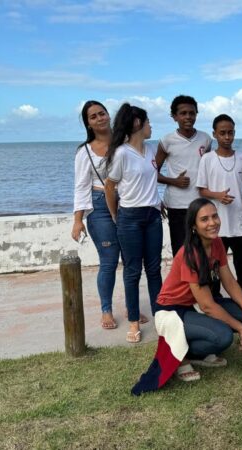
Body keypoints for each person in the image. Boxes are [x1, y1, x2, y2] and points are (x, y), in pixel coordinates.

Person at [154, 198, 242, 384]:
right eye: (204, 219)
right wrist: (240, 327)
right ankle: (184, 354)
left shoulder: (216, 243)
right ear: (194, 226)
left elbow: (230, 282)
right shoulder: (190, 253)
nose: (212, 223)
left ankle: (200, 351)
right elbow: (208, 306)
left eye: (214, 216)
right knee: (223, 336)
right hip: (173, 310)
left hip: (195, 305)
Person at [104, 104, 163, 344]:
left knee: (155, 269)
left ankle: (161, 317)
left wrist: (158, 204)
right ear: (137, 124)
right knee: (132, 271)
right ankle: (134, 322)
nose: (151, 126)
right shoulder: (121, 153)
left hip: (153, 216)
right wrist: (116, 216)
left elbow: (151, 182)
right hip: (130, 217)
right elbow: (110, 186)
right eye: (147, 121)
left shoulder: (150, 150)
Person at [71, 100, 122, 330]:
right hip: (100, 206)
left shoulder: (125, 142)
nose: (100, 118)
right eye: (93, 117)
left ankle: (132, 307)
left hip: (128, 203)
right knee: (109, 261)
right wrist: (77, 220)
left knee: (132, 261)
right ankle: (106, 310)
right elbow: (81, 187)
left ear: (109, 115)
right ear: (88, 124)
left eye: (102, 113)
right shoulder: (85, 152)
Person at [196, 114, 242, 301]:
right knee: (214, 268)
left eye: (230, 133)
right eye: (222, 133)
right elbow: (201, 190)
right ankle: (216, 303)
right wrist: (218, 196)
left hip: (240, 222)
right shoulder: (207, 159)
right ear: (215, 134)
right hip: (216, 224)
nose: (227, 137)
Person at [156, 95, 212, 257]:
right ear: (174, 116)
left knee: (203, 250)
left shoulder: (205, 139)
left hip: (200, 203)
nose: (188, 117)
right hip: (176, 205)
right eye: (183, 113)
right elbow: (152, 173)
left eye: (192, 113)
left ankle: (203, 282)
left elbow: (209, 169)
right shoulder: (167, 141)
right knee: (181, 251)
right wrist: (174, 181)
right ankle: (185, 283)